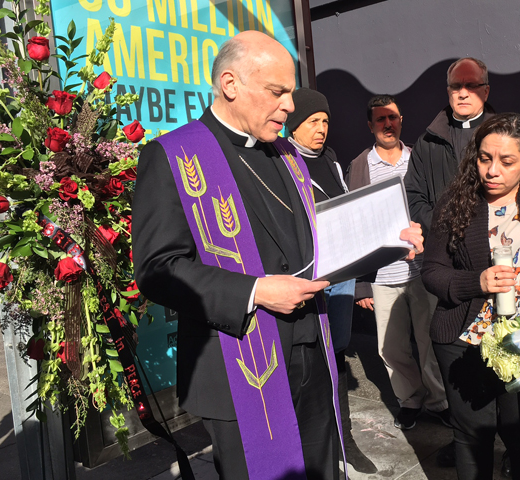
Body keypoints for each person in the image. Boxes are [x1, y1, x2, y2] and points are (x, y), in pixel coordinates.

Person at [133, 31, 424, 479]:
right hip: (242, 361)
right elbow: (157, 269)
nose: (290, 105)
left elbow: (319, 247)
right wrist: (254, 291)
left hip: (315, 348)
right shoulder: (173, 155)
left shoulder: (287, 154)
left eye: (289, 92)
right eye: (278, 92)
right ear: (230, 84)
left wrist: (388, 242)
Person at [421, 113, 520, 480]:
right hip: (464, 340)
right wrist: (475, 281)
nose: (492, 170)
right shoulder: (456, 201)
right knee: (471, 437)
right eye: (484, 158)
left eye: (507, 161)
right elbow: (431, 272)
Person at [285, 87, 377, 474]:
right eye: (312, 122)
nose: (321, 129)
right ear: (294, 126)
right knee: (308, 363)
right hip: (305, 280)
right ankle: (311, 443)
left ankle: (345, 439)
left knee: (336, 357)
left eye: (325, 121)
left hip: (339, 277)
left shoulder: (333, 163)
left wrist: (358, 282)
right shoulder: (284, 163)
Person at [348, 94, 450, 431]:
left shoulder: (417, 157)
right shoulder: (360, 166)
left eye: (392, 117)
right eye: (380, 119)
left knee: (428, 342)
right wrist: (362, 282)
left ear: (401, 119)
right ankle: (410, 400)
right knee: (389, 348)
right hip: (383, 275)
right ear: (370, 125)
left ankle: (439, 402)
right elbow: (355, 227)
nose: (388, 124)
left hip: (423, 270)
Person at [405, 57, 497, 237]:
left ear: (485, 92)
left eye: (471, 85)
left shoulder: (506, 137)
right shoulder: (427, 143)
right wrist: (442, 227)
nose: (463, 93)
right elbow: (413, 196)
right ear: (449, 92)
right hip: (442, 246)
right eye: (456, 86)